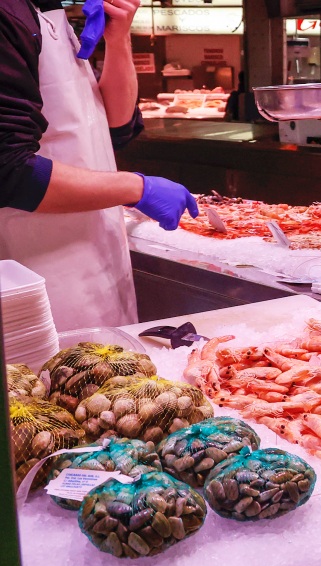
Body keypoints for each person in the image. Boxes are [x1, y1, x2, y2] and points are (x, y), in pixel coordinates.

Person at [1, 0, 197, 330]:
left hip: (96, 259)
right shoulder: (8, 14)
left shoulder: (49, 10)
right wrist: (136, 188)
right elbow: (9, 169)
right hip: (33, 273)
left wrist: (118, 37)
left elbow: (117, 126)